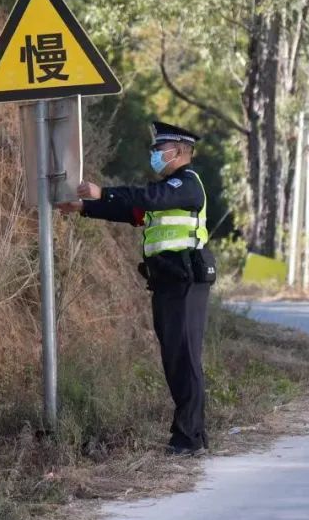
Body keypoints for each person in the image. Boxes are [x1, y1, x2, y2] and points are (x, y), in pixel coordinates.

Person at [57, 121, 216, 456]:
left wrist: (105, 191)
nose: (154, 154)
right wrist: (87, 207)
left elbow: (147, 197)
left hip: (186, 282)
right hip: (168, 282)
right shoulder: (168, 190)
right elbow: (132, 210)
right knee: (175, 358)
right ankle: (188, 432)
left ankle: (190, 437)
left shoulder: (187, 185)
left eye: (159, 150)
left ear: (178, 152)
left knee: (185, 358)